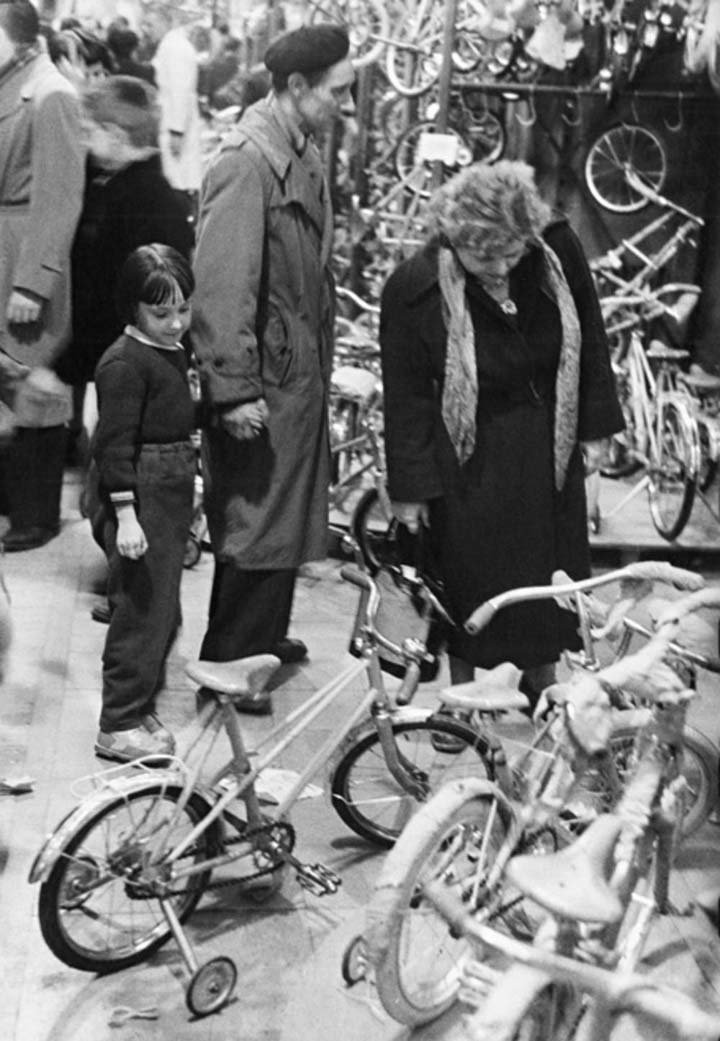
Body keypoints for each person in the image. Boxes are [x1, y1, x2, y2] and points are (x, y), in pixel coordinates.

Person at [379, 160, 624, 710]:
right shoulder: (415, 286)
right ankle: (466, 691)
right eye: (483, 258)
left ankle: (542, 678)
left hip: (546, 445)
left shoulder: (555, 251)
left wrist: (595, 428)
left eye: (511, 255)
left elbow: (590, 339)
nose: (498, 269)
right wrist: (411, 488)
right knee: (471, 581)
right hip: (470, 458)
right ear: (454, 240)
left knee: (548, 578)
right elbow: (407, 396)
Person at [191, 24, 355, 713]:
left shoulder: (301, 150)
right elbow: (222, 286)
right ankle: (230, 662)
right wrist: (232, 390)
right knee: (255, 517)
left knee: (281, 511)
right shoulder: (246, 163)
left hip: (293, 370)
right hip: (265, 377)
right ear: (297, 88)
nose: (346, 104)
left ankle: (267, 635)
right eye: (339, 91)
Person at [54, 74, 194, 469]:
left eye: (89, 129)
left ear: (115, 134)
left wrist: (67, 360)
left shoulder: (142, 201)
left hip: (122, 354)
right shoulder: (118, 185)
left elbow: (114, 292)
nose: (82, 138)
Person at [92, 244, 196, 762]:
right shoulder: (123, 364)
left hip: (169, 488)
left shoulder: (170, 349)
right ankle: (118, 723)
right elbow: (111, 446)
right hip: (142, 490)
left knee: (163, 611)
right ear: (133, 307)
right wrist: (127, 515)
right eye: (161, 313)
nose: (176, 322)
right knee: (140, 610)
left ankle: (138, 705)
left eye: (183, 309)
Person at [0, 0, 84, 551]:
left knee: (31, 384)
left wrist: (35, 280)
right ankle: (14, 502)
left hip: (24, 254)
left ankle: (36, 514)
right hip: (6, 244)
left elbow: (59, 195)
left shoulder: (50, 93)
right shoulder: (16, 83)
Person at [148, 5, 203, 210]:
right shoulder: (170, 45)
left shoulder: (176, 48)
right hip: (171, 123)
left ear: (166, 21)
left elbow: (180, 91)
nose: (147, 29)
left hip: (176, 128)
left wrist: (176, 131)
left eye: (151, 24)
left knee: (178, 181)